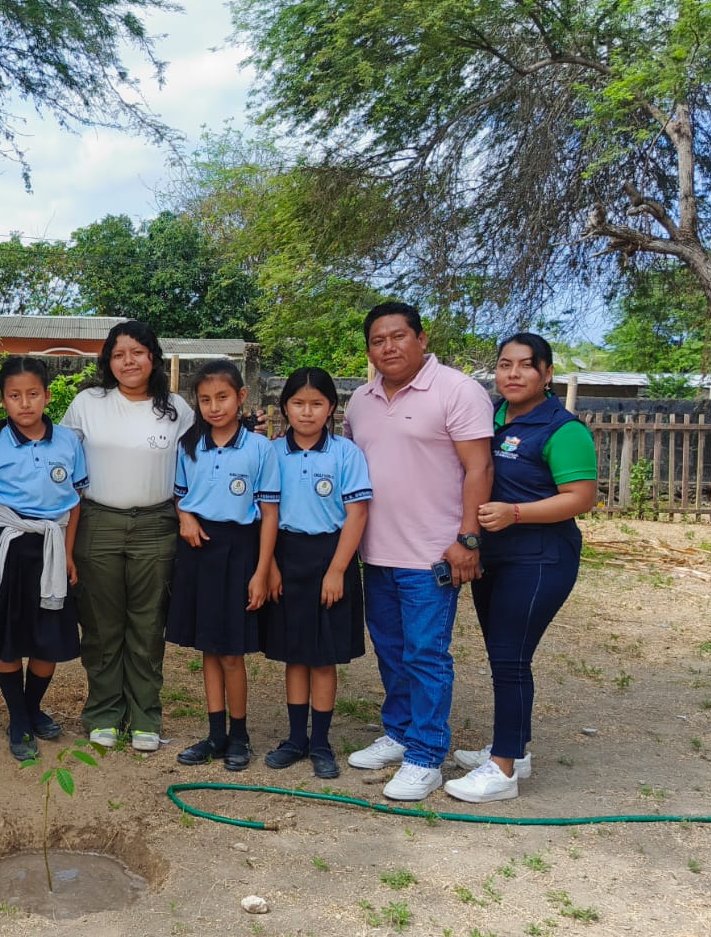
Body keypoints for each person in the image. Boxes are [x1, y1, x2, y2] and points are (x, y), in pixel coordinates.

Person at [343, 301, 494, 801]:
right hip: (375, 552)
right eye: (377, 340)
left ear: (421, 339)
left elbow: (479, 468)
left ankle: (426, 756)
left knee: (426, 654)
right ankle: (401, 731)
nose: (388, 347)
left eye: (398, 336)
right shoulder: (360, 400)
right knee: (390, 649)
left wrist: (468, 538)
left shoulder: (457, 390)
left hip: (433, 555)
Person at [445, 333, 597, 803]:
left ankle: (503, 769)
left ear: (547, 373)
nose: (513, 374)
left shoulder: (562, 429)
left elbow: (582, 498)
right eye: (504, 364)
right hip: (493, 556)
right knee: (504, 656)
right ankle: (515, 748)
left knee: (511, 659)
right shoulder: (489, 416)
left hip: (540, 559)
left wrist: (516, 513)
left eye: (526, 365)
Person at [60, 321, 194, 752]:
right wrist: (1, 432)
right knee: (101, 624)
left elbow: (203, 460)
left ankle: (145, 717)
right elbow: (54, 449)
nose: (128, 361)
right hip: (98, 521)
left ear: (153, 357)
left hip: (157, 524)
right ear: (108, 361)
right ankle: (103, 712)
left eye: (137, 352)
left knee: (148, 623)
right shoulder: (88, 403)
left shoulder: (176, 409)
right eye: (119, 355)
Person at [0, 356, 88, 761]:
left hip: (51, 547)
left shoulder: (69, 442)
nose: (25, 403)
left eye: (33, 394)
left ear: (47, 396)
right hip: (5, 547)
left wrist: (68, 553)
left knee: (48, 640)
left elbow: (76, 502)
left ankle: (33, 708)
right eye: (14, 396)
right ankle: (18, 718)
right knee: (8, 639)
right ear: (3, 400)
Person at [168, 360, 280, 771]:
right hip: (198, 550)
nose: (214, 407)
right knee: (208, 648)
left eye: (222, 397)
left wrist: (262, 571)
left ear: (241, 397)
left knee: (232, 651)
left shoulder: (259, 448)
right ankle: (215, 734)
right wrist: (185, 516)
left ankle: (240, 735)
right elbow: (180, 495)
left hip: (239, 550)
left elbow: (269, 514)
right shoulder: (189, 445)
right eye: (205, 400)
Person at [262, 368, 372, 780]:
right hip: (286, 556)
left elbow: (357, 514)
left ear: (332, 409)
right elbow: (264, 515)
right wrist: (271, 566)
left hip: (331, 556)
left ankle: (321, 742)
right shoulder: (271, 453)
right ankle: (296, 739)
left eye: (316, 404)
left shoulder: (346, 453)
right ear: (284, 407)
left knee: (323, 657)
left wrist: (338, 570)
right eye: (298, 403)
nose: (306, 412)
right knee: (295, 653)